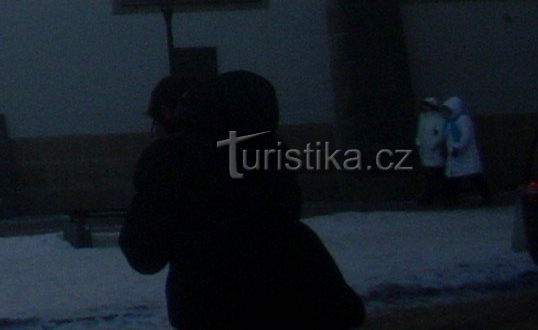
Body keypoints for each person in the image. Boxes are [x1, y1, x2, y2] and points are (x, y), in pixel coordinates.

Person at [120, 70, 364, 329]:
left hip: (211, 308)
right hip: (292, 299)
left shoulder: (169, 160)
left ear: (168, 113)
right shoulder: (269, 150)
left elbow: (143, 254)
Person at [442, 96, 491, 204]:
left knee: (472, 176)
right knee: (458, 176)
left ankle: (485, 194)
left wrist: (457, 147)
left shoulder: (463, 120)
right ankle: (452, 196)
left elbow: (466, 136)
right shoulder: (451, 121)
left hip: (464, 154)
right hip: (457, 155)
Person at [415, 98, 450, 206]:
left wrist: (432, 146)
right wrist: (419, 143)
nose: (425, 108)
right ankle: (437, 196)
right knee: (431, 176)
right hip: (425, 152)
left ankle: (433, 197)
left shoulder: (439, 119)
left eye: (427, 106)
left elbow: (440, 135)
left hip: (434, 152)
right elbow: (419, 133)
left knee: (436, 175)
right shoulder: (423, 118)